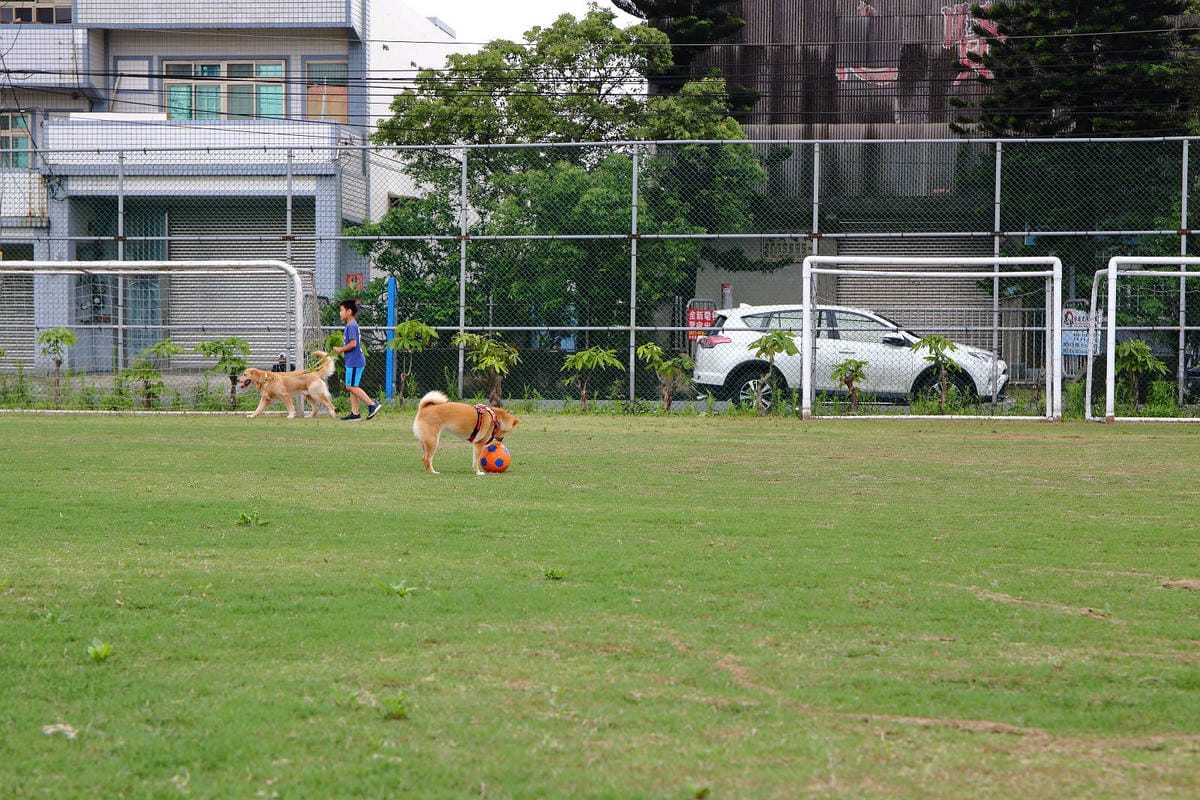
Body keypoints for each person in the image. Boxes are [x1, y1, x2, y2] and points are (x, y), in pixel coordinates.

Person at [331, 298, 381, 421]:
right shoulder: (351, 325)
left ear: (349, 312)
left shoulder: (351, 326)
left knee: (350, 386)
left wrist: (340, 349)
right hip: (353, 361)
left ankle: (372, 405)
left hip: (355, 361)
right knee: (352, 386)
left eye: (341, 310)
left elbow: (353, 344)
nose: (340, 313)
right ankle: (355, 413)